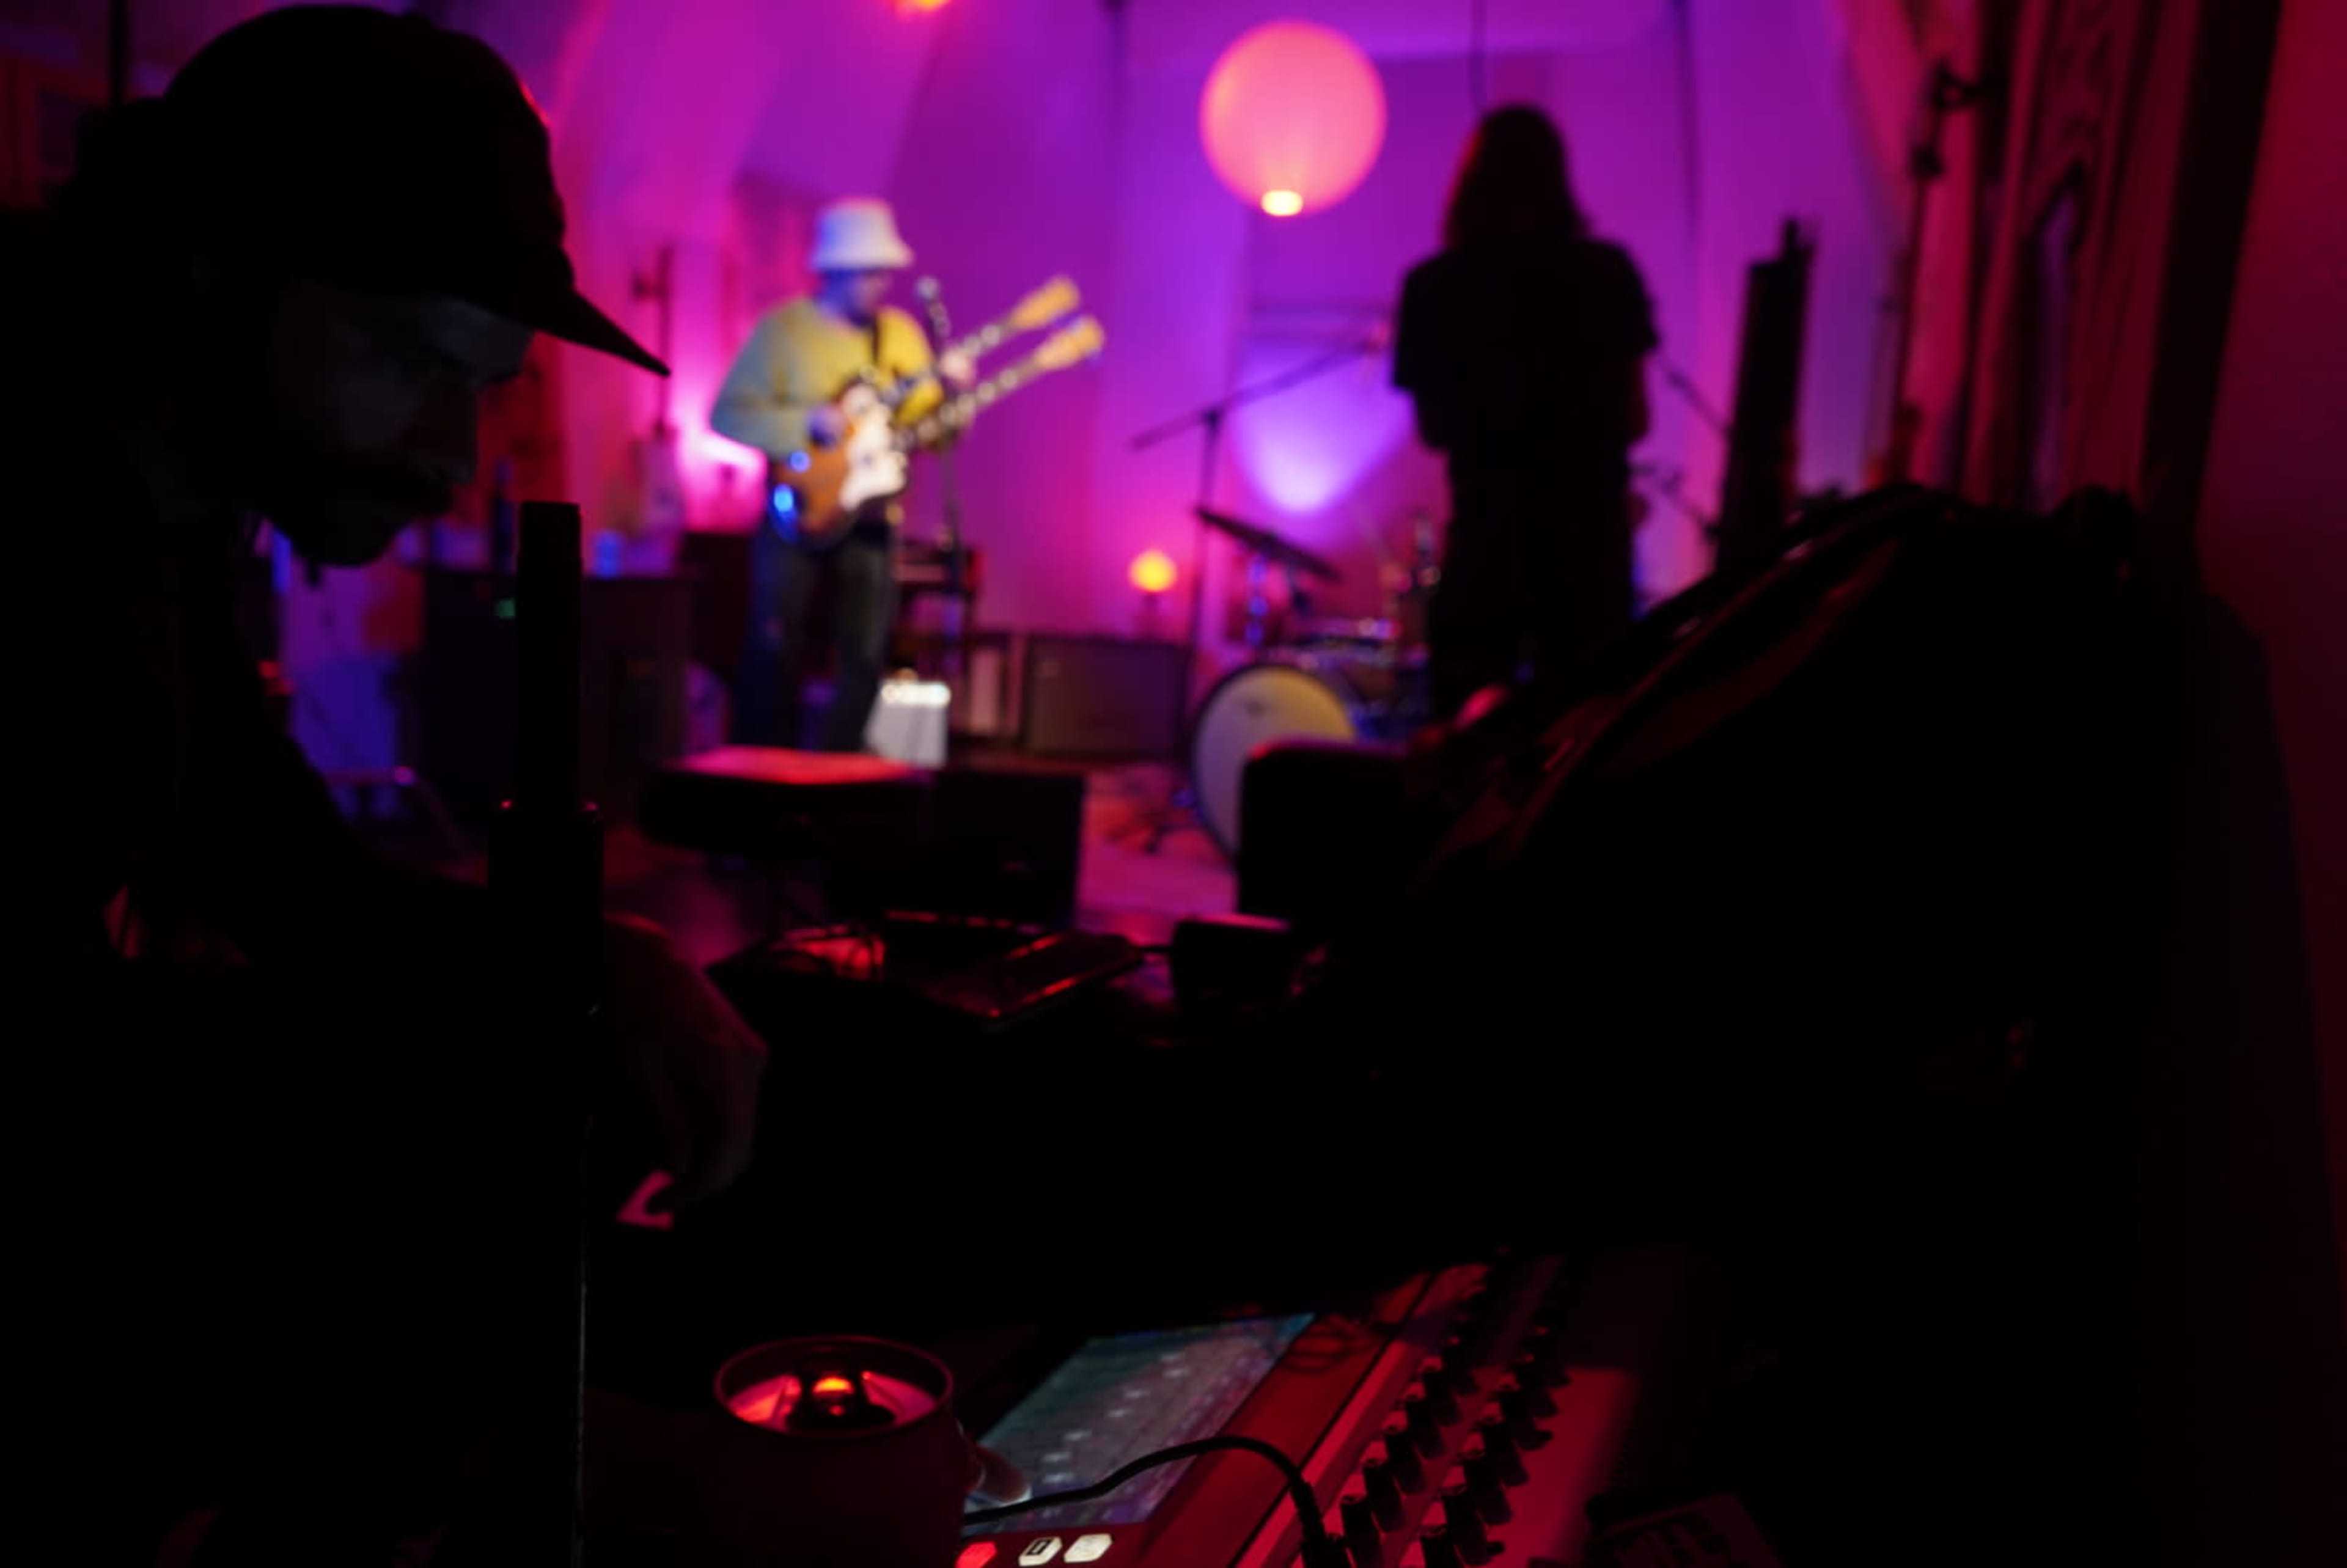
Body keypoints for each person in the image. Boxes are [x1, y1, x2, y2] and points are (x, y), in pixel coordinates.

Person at [6, 8, 766, 1562]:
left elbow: (287, 876)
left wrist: (594, 955)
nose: (453, 450)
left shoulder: (157, 511)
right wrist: (550, 1453)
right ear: (201, 273)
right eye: (412, 359)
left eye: (482, 385)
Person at [1392, 104, 1659, 721]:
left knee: (1468, 738)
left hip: (1487, 542)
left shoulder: (1434, 286)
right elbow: (1636, 420)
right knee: (1588, 734)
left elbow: (1434, 430)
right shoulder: (1607, 272)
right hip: (1590, 548)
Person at [710, 200, 974, 752]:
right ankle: (763, 769)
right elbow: (727, 414)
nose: (880, 283)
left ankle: (839, 774)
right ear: (834, 270)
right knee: (775, 644)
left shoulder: (899, 335)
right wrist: (803, 422)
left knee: (864, 654)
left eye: (884, 271)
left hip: (872, 516)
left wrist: (956, 399)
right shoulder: (784, 331)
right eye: (867, 271)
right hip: (796, 512)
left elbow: (934, 437)